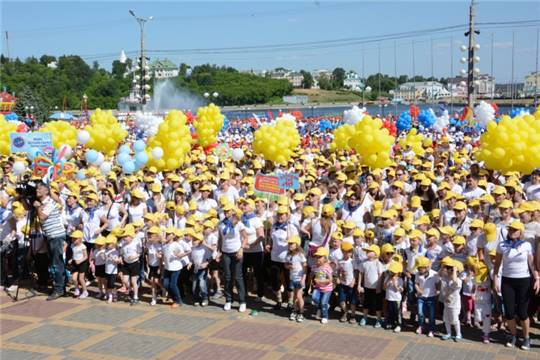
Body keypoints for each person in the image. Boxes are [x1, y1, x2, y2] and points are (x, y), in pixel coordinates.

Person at [492, 220, 540, 350]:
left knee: (523, 313)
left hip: (524, 281)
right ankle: (513, 335)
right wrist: (495, 279)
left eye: (514, 229)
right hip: (507, 281)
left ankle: (526, 338)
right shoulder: (502, 245)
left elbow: (532, 265)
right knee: (509, 312)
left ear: (520, 232)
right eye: (510, 229)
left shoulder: (526, 246)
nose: (511, 231)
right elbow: (497, 264)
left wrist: (537, 278)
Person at [34, 182, 66, 300]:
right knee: (55, 263)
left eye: (40, 188)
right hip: (50, 236)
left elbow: (42, 218)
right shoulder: (43, 202)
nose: (37, 190)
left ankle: (59, 289)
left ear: (46, 191)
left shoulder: (50, 203)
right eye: (37, 188)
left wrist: (37, 207)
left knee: (57, 263)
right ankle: (59, 287)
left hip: (56, 236)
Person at [218, 204, 247, 312]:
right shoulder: (220, 224)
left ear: (232, 211)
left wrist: (241, 249)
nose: (226, 212)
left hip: (236, 252)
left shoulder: (238, 224)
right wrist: (219, 251)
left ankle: (242, 301)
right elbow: (220, 239)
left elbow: (245, 237)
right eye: (224, 210)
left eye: (228, 210)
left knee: (238, 277)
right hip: (225, 253)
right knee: (227, 277)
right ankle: (228, 300)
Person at [358, 244, 384, 328]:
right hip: (367, 287)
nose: (367, 253)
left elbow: (380, 275)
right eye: (367, 251)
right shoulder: (364, 263)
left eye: (370, 251)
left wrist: (378, 286)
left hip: (376, 288)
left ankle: (378, 319)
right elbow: (361, 274)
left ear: (376, 254)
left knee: (377, 305)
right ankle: (364, 317)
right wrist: (359, 285)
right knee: (366, 303)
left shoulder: (378, 263)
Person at [439, 257, 463, 341]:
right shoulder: (446, 277)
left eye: (451, 269)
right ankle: (448, 333)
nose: (448, 270)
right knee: (446, 319)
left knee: (455, 319)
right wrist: (443, 266)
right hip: (446, 303)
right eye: (448, 268)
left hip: (455, 304)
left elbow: (455, 281)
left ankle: (458, 334)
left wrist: (455, 270)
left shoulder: (458, 280)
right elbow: (439, 274)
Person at [414, 256, 439, 337]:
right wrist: (418, 290)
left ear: (426, 267)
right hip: (421, 297)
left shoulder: (434, 274)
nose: (418, 270)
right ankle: (421, 326)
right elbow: (416, 284)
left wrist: (438, 291)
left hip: (431, 297)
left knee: (431, 315)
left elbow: (438, 284)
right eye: (418, 268)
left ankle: (431, 329)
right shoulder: (417, 274)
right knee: (420, 313)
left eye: (420, 268)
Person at [284, 235, 307, 322]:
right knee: (294, 296)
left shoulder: (300, 255)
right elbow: (285, 265)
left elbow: (305, 268)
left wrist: (303, 279)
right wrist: (288, 266)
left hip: (299, 279)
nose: (289, 245)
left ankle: (301, 312)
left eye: (292, 243)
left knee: (299, 296)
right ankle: (295, 310)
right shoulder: (288, 254)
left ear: (297, 244)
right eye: (289, 243)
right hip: (292, 278)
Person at [311, 247, 333, 324]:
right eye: (317, 257)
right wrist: (312, 282)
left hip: (327, 289)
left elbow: (330, 280)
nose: (318, 259)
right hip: (317, 288)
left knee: (323, 302)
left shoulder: (327, 268)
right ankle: (323, 306)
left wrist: (321, 281)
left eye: (320, 257)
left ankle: (325, 316)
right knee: (314, 298)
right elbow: (313, 276)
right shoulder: (314, 267)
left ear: (325, 258)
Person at [337, 241, 357, 324]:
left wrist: (353, 281)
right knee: (342, 300)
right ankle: (345, 312)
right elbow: (338, 271)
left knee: (352, 302)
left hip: (351, 284)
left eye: (349, 251)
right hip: (343, 284)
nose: (347, 253)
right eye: (345, 251)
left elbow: (356, 272)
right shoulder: (340, 261)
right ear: (342, 251)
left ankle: (352, 315)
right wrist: (338, 277)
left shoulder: (353, 261)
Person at [384, 261, 404, 332]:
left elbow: (400, 290)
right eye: (390, 272)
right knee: (390, 311)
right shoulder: (387, 278)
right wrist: (388, 281)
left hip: (396, 299)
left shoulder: (400, 280)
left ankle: (399, 324)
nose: (391, 274)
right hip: (389, 298)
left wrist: (395, 283)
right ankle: (391, 323)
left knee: (397, 312)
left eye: (393, 272)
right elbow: (384, 287)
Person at [69, 230, 89, 299]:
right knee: (74, 278)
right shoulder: (72, 245)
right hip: (75, 263)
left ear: (80, 239)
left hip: (82, 263)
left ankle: (85, 291)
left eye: (75, 238)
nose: (73, 240)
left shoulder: (83, 246)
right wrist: (71, 259)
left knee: (81, 279)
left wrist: (80, 261)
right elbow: (73, 254)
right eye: (72, 238)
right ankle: (77, 289)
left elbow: (86, 256)